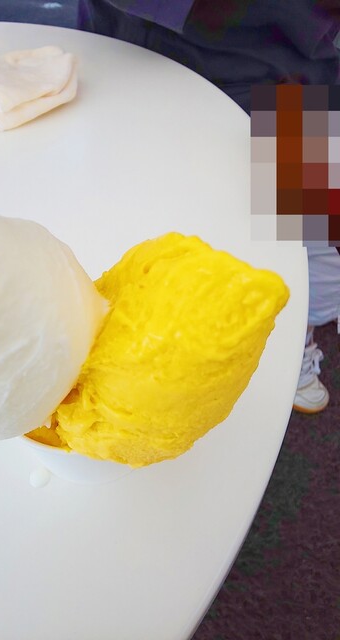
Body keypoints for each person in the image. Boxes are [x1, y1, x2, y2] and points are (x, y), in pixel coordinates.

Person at [77, 0, 340, 413]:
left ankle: (294, 348)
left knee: (308, 235)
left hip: (294, 77)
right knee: (161, 239)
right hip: (144, 63)